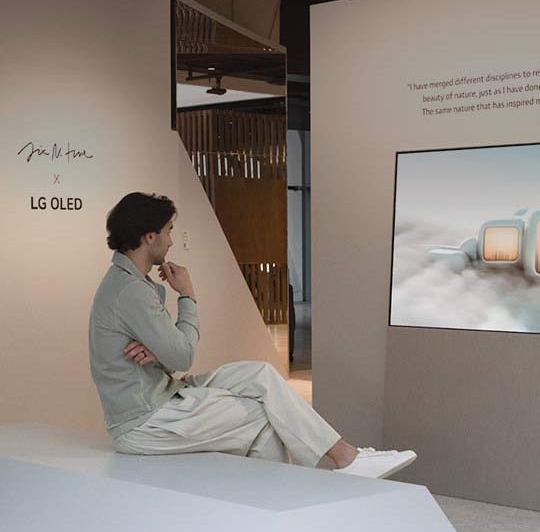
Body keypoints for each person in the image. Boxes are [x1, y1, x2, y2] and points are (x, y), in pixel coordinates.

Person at [89, 191, 416, 479]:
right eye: (169, 231)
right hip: (147, 420)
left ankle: (345, 459)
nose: (172, 240)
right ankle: (312, 483)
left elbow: (172, 354)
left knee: (260, 375)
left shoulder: (130, 284)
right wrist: (187, 296)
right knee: (265, 415)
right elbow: (183, 355)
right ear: (149, 236)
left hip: (163, 394)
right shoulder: (131, 291)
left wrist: (160, 348)